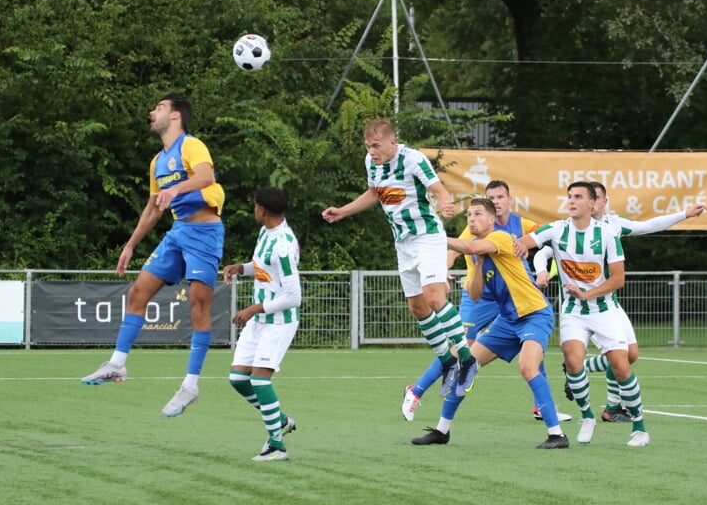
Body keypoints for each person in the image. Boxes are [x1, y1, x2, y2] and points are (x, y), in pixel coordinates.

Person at [81, 93, 225, 418]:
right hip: (177, 233)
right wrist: (130, 244)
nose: (151, 111)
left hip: (204, 233)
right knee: (137, 292)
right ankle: (117, 364)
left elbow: (206, 177)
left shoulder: (191, 145)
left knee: (198, 306)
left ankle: (190, 385)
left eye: (159, 107)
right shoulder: (157, 162)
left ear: (175, 116)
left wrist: (175, 190)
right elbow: (152, 210)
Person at [322, 118, 478, 398]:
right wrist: (343, 211)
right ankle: (447, 362)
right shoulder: (371, 163)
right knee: (418, 308)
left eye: (377, 146)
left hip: (428, 236)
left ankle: (467, 360)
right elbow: (374, 194)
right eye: (368, 146)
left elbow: (437, 187)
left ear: (392, 142)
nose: (372, 151)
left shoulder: (412, 159)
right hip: (403, 243)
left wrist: (445, 201)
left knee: (434, 297)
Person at [532, 182, 707, 423]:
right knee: (619, 357)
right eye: (575, 197)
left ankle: (578, 369)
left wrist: (684, 214)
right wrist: (541, 270)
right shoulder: (567, 227)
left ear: (602, 202)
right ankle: (611, 406)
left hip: (608, 303)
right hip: (579, 307)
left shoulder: (612, 225)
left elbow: (647, 226)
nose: (588, 202)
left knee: (630, 355)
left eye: (596, 198)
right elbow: (543, 251)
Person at [401, 180, 571, 423]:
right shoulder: (474, 230)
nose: (496, 202)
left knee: (530, 351)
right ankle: (418, 392)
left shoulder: (520, 224)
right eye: (491, 198)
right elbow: (457, 250)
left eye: (500, 197)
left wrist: (545, 269)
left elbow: (551, 241)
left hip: (515, 296)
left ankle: (541, 408)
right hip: (480, 296)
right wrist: (440, 273)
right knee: (462, 349)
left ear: (508, 200)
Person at [515, 181, 650, 447]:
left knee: (622, 365)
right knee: (573, 361)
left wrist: (586, 293)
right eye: (569, 196)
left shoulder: (607, 233)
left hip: (605, 308)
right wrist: (516, 246)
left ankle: (640, 428)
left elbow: (619, 279)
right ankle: (587, 416)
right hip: (573, 311)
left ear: (592, 203)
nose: (572, 201)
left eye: (578, 196)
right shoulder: (557, 229)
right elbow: (529, 242)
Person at [222, 187, 301, 462]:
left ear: (262, 210)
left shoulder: (283, 245)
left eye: (255, 205)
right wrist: (240, 268)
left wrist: (254, 308)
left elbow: (293, 296)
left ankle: (277, 446)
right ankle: (279, 420)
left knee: (259, 379)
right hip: (260, 319)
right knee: (238, 379)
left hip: (278, 322)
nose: (254, 209)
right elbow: (263, 268)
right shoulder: (265, 233)